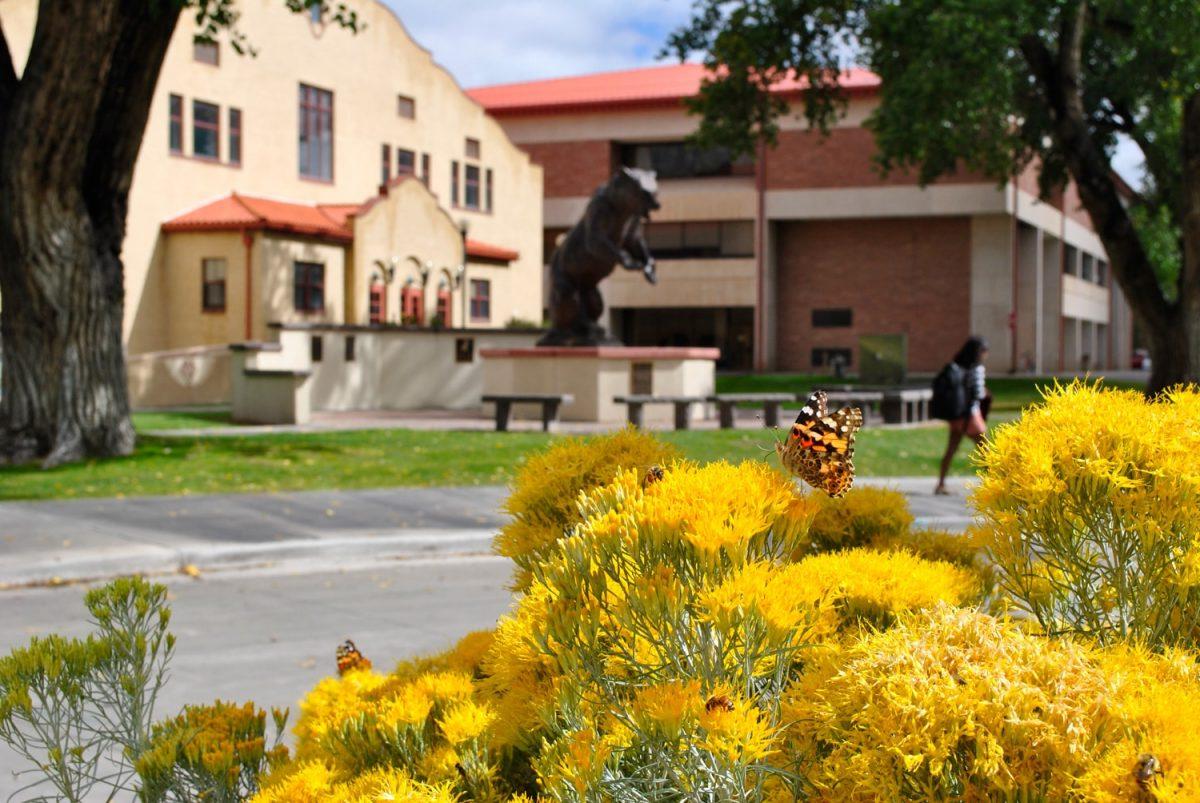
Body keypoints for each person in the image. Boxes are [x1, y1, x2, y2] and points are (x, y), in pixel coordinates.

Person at [934, 336, 990, 495]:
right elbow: (979, 394)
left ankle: (941, 483)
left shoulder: (956, 366)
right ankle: (995, 483)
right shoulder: (977, 368)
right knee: (986, 451)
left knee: (951, 450)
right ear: (980, 352)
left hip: (956, 416)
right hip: (971, 416)